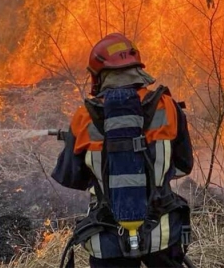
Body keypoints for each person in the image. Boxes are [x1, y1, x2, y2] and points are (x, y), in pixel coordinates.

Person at [52, 33, 194, 268]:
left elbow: (71, 176)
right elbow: (182, 165)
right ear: (137, 69)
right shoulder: (168, 107)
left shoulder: (84, 118)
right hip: (162, 232)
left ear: (99, 75)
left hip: (108, 237)